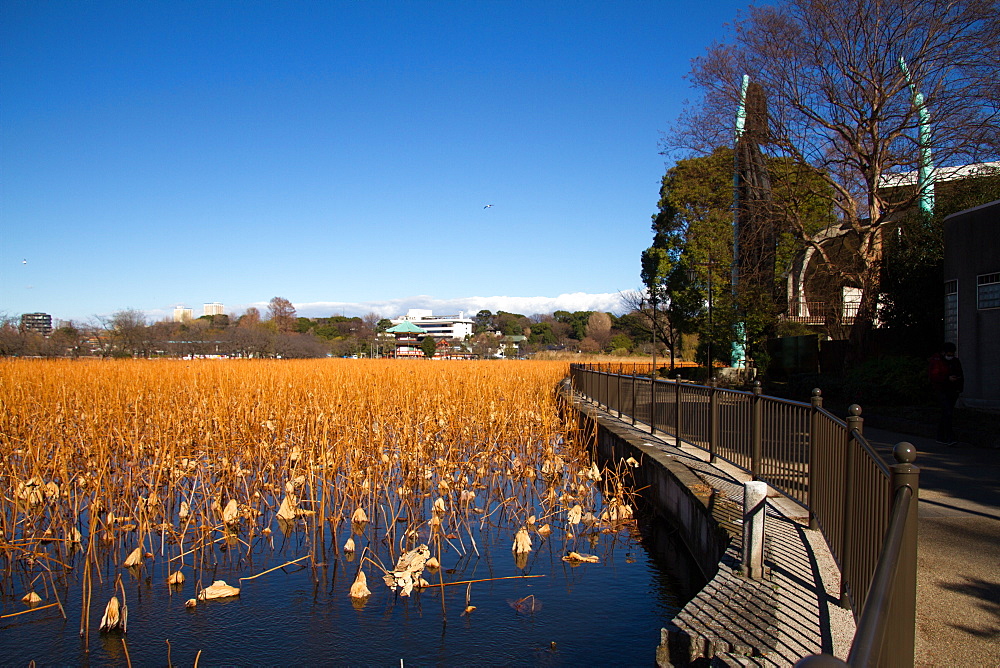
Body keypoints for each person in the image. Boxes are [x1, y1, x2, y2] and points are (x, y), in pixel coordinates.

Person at [929, 342, 964, 445]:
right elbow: (934, 376)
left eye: (952, 354)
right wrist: (947, 379)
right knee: (947, 412)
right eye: (949, 354)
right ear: (943, 352)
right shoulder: (937, 361)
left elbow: (960, 374)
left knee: (946, 413)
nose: (950, 356)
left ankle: (941, 436)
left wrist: (959, 387)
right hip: (941, 389)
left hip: (952, 390)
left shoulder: (955, 361)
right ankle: (949, 437)